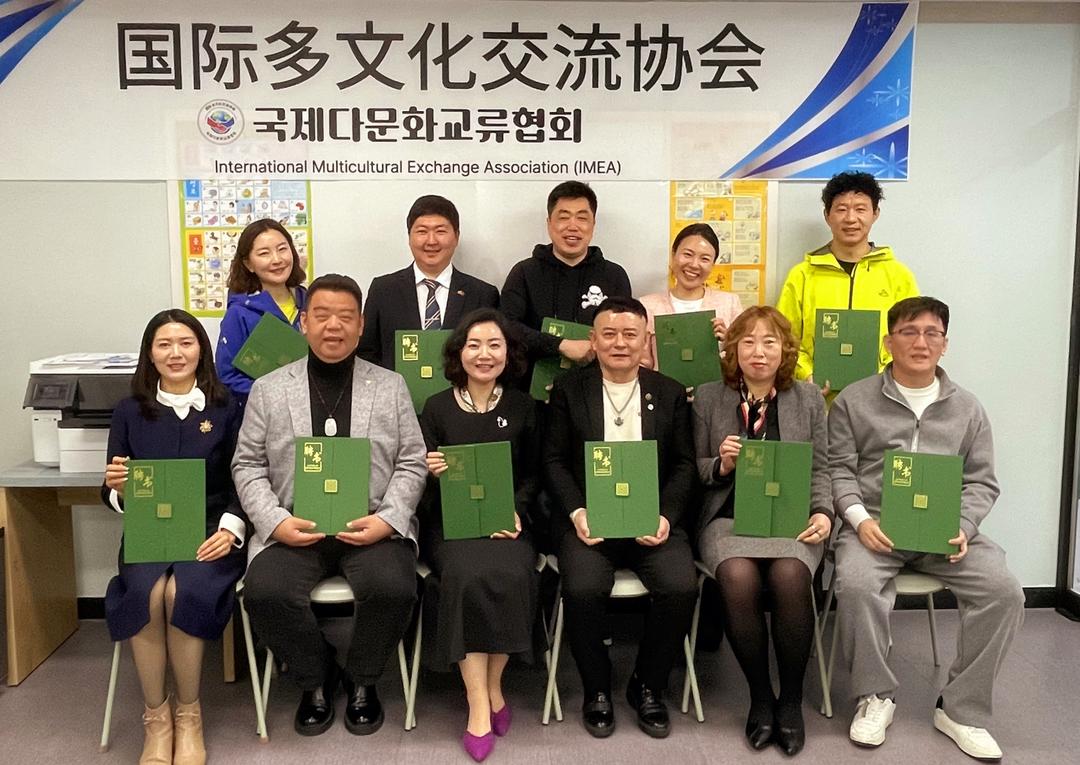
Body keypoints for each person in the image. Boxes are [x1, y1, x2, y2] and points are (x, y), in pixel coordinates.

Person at [829, 297, 1024, 760]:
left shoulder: (968, 408)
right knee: (855, 584)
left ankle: (961, 709)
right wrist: (859, 520)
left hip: (946, 532)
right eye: (909, 332)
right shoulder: (854, 400)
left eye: (932, 333)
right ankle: (875, 696)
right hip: (875, 528)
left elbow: (981, 481)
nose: (921, 342)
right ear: (888, 342)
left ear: (944, 344)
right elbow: (839, 469)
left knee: (1005, 593)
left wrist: (964, 526)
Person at [233, 274, 426, 737]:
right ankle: (316, 676)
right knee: (265, 592)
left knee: (394, 587)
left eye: (344, 317)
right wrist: (275, 522)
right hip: (295, 528)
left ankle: (363, 679)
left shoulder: (390, 386)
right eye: (321, 315)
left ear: (360, 325)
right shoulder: (270, 389)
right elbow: (247, 464)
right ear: (304, 323)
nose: (332, 326)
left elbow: (412, 460)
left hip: (371, 526)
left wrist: (388, 520)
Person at [544, 296, 698, 739]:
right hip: (589, 521)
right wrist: (577, 512)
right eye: (609, 334)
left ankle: (648, 684)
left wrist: (665, 516)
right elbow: (553, 461)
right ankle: (596, 687)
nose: (619, 343)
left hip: (652, 521)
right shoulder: (569, 390)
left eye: (630, 334)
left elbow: (685, 465)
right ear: (593, 340)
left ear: (646, 340)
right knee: (582, 587)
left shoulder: (669, 392)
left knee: (680, 585)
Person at [102, 309, 246, 765]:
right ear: (150, 354)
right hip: (150, 531)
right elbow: (111, 486)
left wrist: (231, 528)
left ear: (201, 348)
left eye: (185, 342)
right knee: (146, 593)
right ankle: (156, 718)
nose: (175, 353)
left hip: (210, 530)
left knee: (180, 591)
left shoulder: (226, 407)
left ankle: (189, 714)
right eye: (164, 344)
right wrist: (119, 490)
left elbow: (245, 477)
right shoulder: (129, 410)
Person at [692, 306, 831, 756]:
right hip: (727, 517)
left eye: (770, 341)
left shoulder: (808, 399)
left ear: (785, 349)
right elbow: (692, 468)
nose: (759, 351)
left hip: (791, 518)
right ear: (733, 349)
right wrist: (721, 464)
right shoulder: (709, 397)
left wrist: (823, 513)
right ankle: (759, 696)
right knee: (737, 576)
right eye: (748, 341)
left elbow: (821, 467)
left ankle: (790, 700)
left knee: (791, 575)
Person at [419, 308, 541, 762]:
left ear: (508, 353)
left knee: (513, 572)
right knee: (466, 576)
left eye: (494, 344)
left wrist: (517, 511)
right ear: (459, 353)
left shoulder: (524, 407)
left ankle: (494, 685)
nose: (484, 354)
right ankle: (477, 701)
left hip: (507, 523)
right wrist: (431, 471)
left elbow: (534, 475)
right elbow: (417, 480)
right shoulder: (436, 407)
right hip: (451, 526)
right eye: (474, 345)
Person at [776, 171, 918, 387]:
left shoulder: (898, 275)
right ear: (827, 215)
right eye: (841, 209)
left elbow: (911, 336)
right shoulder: (802, 275)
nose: (851, 218)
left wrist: (887, 376)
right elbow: (783, 336)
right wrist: (806, 374)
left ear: (875, 214)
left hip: (881, 395)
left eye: (860, 209)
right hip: (816, 397)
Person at [500, 181, 632, 373]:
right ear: (549, 223)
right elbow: (506, 327)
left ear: (593, 224)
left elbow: (624, 331)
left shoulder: (614, 275)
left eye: (582, 218)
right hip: (532, 384)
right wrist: (560, 345)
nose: (573, 226)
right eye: (564, 217)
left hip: (597, 382)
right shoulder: (524, 272)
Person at [358, 194, 499, 369]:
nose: (431, 241)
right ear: (409, 237)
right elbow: (366, 354)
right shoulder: (383, 290)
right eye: (422, 231)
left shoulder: (483, 295)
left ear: (456, 236)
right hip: (395, 387)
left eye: (440, 231)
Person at [216, 218, 307, 402]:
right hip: (262, 411)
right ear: (248, 264)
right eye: (264, 253)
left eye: (282, 249)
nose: (277, 259)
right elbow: (227, 377)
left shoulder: (309, 301)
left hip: (310, 410)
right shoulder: (239, 313)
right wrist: (273, 394)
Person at [638, 223, 743, 370]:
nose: (694, 264)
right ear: (673, 255)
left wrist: (728, 342)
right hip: (661, 385)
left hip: (716, 385)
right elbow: (641, 364)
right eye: (687, 254)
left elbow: (744, 361)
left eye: (704, 259)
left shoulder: (730, 303)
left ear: (713, 265)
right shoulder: (647, 306)